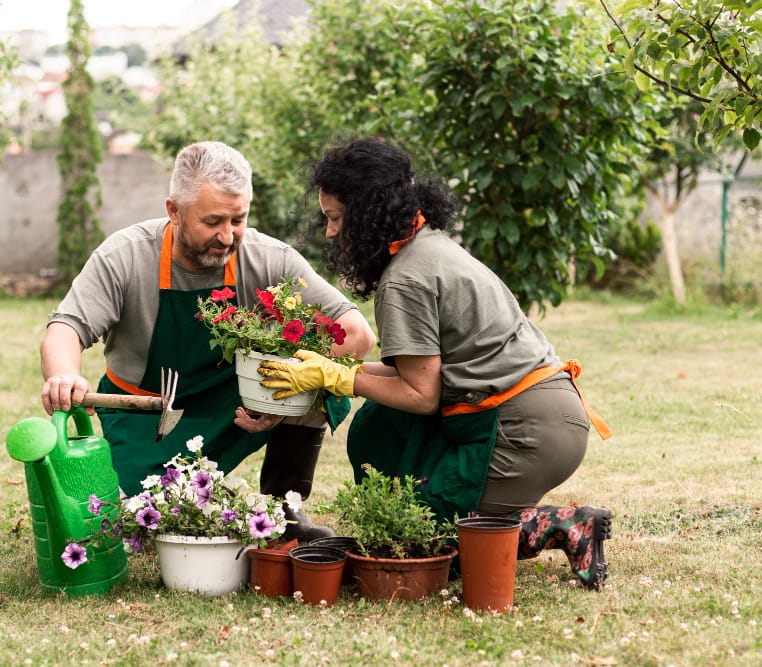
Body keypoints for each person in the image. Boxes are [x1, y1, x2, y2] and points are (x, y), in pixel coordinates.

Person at [258, 137, 613, 588]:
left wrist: (340, 376)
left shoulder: (405, 279)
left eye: (336, 218)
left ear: (367, 213)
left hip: (522, 430)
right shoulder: (429, 246)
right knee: (378, 427)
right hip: (543, 415)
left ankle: (565, 524)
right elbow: (420, 374)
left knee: (422, 545)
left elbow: (420, 395)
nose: (330, 232)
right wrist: (333, 368)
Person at [39, 141, 376, 542]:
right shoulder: (125, 256)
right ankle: (211, 498)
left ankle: (286, 514)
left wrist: (280, 399)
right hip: (145, 416)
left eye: (238, 219)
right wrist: (63, 376)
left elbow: (357, 334)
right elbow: (66, 328)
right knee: (133, 521)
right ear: (174, 211)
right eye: (213, 221)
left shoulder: (269, 258)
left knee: (324, 386)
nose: (227, 235)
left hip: (235, 407)